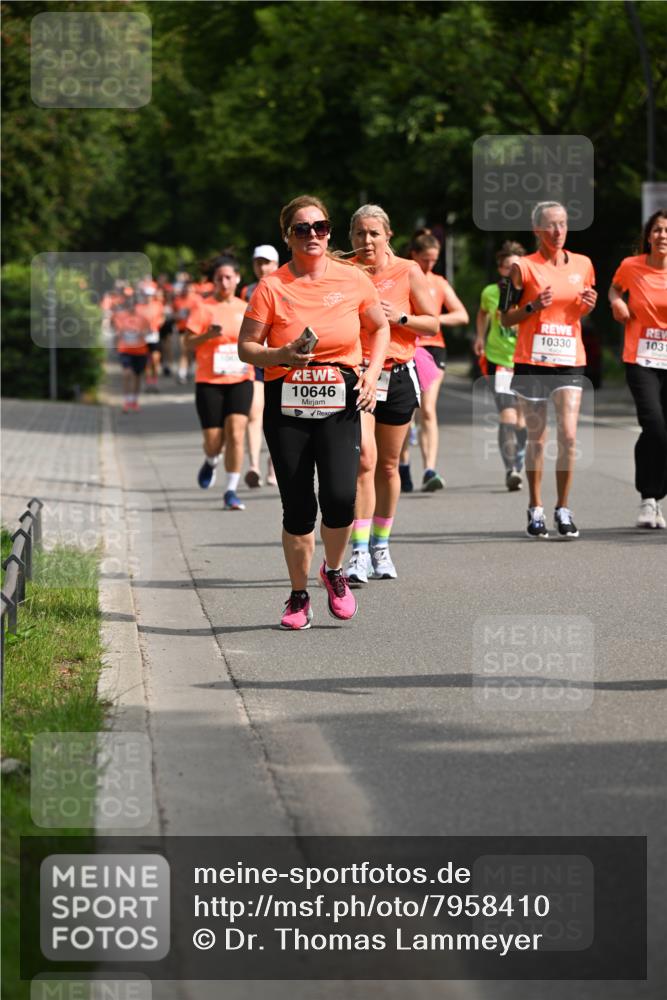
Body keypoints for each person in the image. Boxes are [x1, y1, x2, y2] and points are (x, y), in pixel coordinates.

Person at [238, 194, 390, 630]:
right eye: (302, 229)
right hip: (286, 402)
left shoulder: (353, 279)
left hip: (339, 397)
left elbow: (379, 328)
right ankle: (298, 595)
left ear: (329, 232)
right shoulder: (272, 287)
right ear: (287, 237)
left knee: (341, 498)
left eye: (320, 227)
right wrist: (282, 353)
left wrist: (372, 371)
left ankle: (335, 571)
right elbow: (246, 347)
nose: (313, 236)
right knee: (299, 507)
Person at [345, 205, 438, 585]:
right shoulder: (345, 272)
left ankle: (381, 545)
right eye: (359, 234)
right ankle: (357, 551)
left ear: (387, 236)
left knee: (388, 464)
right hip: (359, 375)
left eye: (373, 234)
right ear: (350, 238)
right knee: (364, 461)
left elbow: (431, 322)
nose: (366, 241)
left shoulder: (408, 271)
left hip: (398, 373)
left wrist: (399, 317)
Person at [500, 201, 597, 539]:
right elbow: (505, 316)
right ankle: (536, 507)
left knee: (569, 436)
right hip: (532, 361)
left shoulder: (584, 264)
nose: (558, 231)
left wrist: (587, 306)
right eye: (550, 225)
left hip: (570, 357)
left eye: (563, 224)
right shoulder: (522, 267)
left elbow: (576, 310)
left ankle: (564, 507)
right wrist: (531, 306)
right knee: (538, 440)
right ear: (537, 230)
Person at [609, 208, 667, 529]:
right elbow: (615, 288)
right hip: (641, 358)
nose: (663, 236)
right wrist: (617, 301)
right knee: (655, 425)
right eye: (658, 230)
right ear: (648, 235)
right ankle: (649, 497)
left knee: (663, 432)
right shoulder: (632, 267)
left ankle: (656, 498)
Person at [399, 228, 469, 492]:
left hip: (434, 349)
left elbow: (462, 315)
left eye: (434, 259)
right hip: (408, 347)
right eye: (425, 259)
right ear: (413, 254)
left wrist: (433, 321)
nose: (429, 264)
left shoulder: (439, 282)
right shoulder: (403, 276)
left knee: (428, 409)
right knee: (406, 411)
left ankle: (429, 469)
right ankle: (403, 466)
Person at [185, 254, 253, 511]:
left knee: (236, 433)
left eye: (228, 277)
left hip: (240, 378)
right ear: (213, 281)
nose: (224, 282)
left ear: (237, 279)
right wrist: (207, 335)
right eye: (219, 278)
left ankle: (231, 490)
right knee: (214, 440)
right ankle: (211, 459)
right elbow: (187, 343)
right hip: (209, 380)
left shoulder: (246, 307)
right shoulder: (204, 308)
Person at [474, 240, 528, 491]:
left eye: (516, 267)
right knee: (507, 417)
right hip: (500, 360)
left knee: (523, 422)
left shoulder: (531, 291)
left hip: (526, 361)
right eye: (508, 267)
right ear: (500, 268)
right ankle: (511, 470)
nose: (512, 271)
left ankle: (520, 453)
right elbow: (483, 313)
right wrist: (480, 338)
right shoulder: (490, 293)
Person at [242, 245, 280, 488]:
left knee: (277, 415)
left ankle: (273, 464)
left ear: (276, 264)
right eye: (258, 263)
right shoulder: (246, 291)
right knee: (254, 413)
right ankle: (254, 465)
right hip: (256, 359)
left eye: (267, 262)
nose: (263, 267)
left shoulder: (286, 285)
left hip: (279, 358)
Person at [112, 290, 151, 413]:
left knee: (137, 376)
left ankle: (134, 400)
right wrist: (118, 337)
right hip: (125, 349)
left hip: (140, 350)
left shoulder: (143, 318)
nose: (131, 307)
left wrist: (141, 333)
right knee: (127, 374)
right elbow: (117, 332)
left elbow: (148, 331)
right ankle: (126, 401)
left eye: (133, 304)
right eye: (129, 304)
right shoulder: (121, 317)